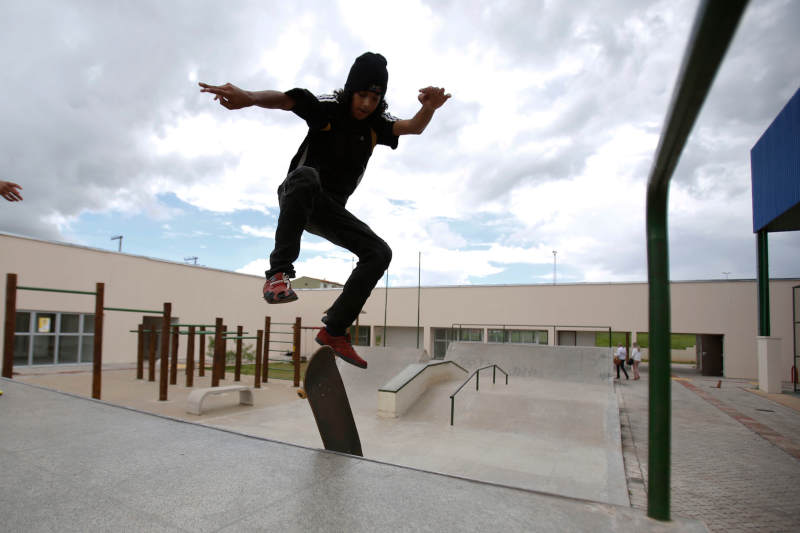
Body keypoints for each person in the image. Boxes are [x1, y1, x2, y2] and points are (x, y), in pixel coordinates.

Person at [200, 52, 450, 369]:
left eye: (375, 98)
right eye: (362, 95)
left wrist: (428, 108)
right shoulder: (329, 107)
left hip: (330, 211)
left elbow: (413, 127)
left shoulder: (377, 125)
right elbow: (286, 99)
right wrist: (248, 97)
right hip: (299, 194)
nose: (366, 105)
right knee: (307, 176)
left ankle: (335, 330)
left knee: (379, 253)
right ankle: (278, 274)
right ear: (351, 90)